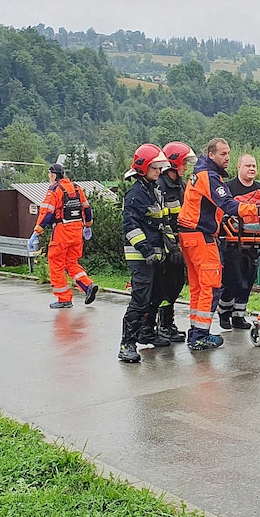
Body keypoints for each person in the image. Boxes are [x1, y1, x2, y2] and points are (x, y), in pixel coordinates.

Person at [177, 138, 260, 350]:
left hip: (190, 236)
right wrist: (256, 210)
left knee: (198, 287)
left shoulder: (200, 174)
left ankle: (195, 332)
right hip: (201, 236)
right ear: (211, 155)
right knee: (211, 286)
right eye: (223, 154)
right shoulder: (209, 177)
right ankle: (200, 335)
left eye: (229, 153)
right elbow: (228, 204)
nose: (227, 158)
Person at [118, 144, 173, 363]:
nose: (159, 171)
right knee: (140, 299)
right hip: (140, 255)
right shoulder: (136, 193)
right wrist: (146, 250)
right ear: (142, 167)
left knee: (157, 295)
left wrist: (172, 246)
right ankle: (126, 344)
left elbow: (161, 222)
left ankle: (146, 333)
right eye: (155, 168)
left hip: (156, 253)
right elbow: (130, 226)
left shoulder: (153, 189)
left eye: (160, 167)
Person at [30, 163, 99, 309]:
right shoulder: (76, 188)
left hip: (62, 231)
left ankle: (64, 299)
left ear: (53, 175)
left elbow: (47, 213)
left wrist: (37, 231)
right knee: (71, 262)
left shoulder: (55, 190)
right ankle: (88, 286)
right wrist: (88, 225)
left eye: (49, 174)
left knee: (56, 264)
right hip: (77, 231)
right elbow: (87, 208)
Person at [218, 154, 260, 330]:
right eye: (248, 165)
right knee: (232, 279)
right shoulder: (228, 188)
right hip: (231, 242)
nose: (252, 168)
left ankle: (239, 316)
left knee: (247, 280)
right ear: (239, 167)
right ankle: (224, 314)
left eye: (254, 165)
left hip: (253, 242)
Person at [152, 141, 198, 343]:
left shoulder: (179, 184)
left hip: (178, 242)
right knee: (165, 285)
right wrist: (172, 246)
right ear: (172, 164)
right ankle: (162, 324)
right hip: (166, 244)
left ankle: (167, 323)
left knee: (176, 283)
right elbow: (163, 220)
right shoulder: (161, 186)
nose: (186, 168)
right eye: (183, 164)